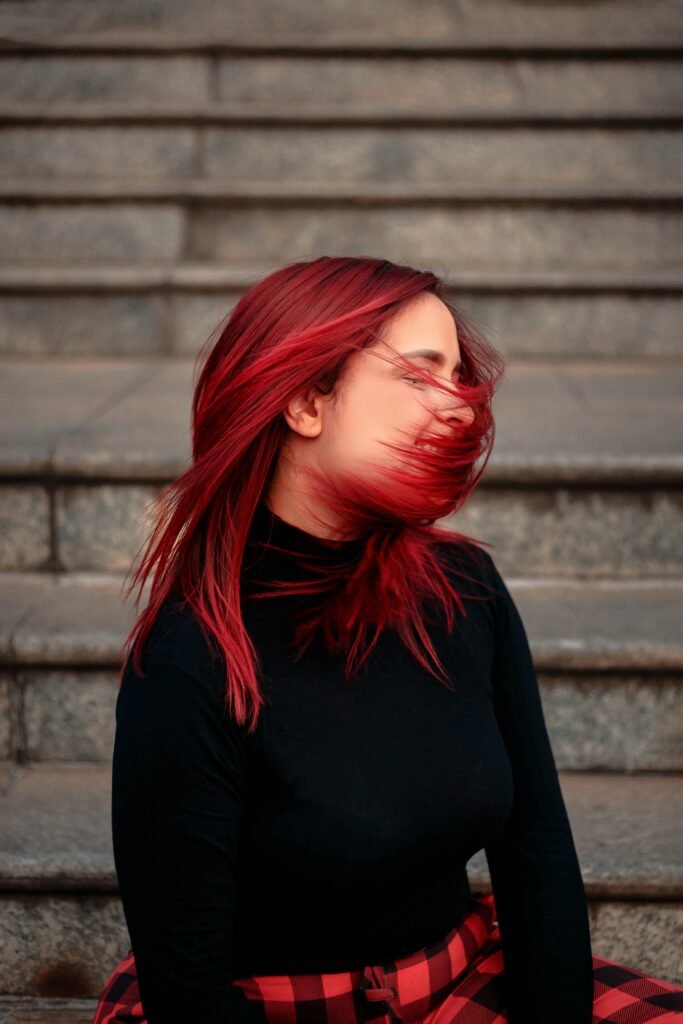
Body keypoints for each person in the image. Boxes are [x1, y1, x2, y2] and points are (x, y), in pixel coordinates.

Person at [92, 256, 683, 1024]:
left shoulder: (463, 588)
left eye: (459, 377)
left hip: (464, 977)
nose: (461, 409)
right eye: (417, 375)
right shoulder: (190, 656)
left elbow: (534, 852)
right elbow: (189, 994)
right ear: (306, 402)